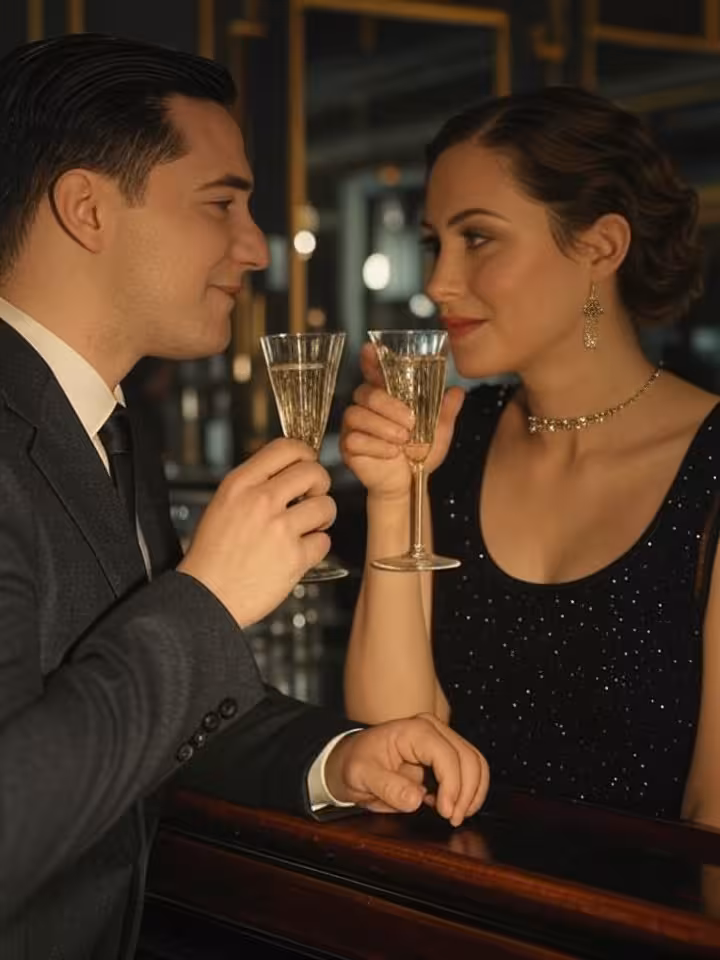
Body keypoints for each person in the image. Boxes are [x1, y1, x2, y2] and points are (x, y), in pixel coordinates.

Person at [0, 34, 490, 960]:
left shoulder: (103, 425)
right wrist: (210, 599)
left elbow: (143, 717)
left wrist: (335, 761)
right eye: (221, 202)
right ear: (86, 208)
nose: (257, 247)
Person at [340, 86, 720, 829]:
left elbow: (715, 821)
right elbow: (400, 751)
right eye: (434, 242)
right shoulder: (454, 438)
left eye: (477, 237)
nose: (437, 282)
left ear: (600, 248)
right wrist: (398, 493)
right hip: (449, 910)